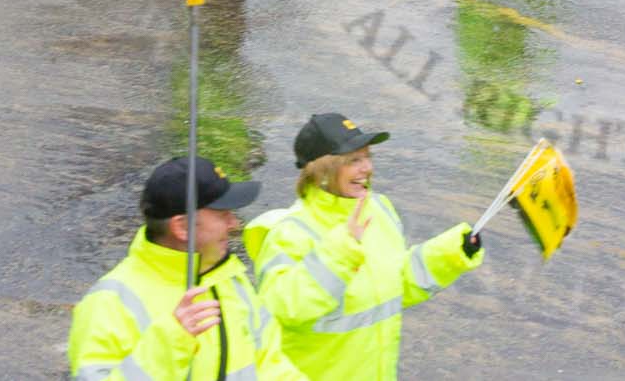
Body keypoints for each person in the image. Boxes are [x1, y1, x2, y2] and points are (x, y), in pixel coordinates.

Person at [245, 113, 485, 379]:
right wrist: (342, 251)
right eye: (354, 160)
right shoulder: (290, 233)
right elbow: (287, 309)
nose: (367, 168)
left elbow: (395, 284)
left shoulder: (379, 210)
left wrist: (450, 253)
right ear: (322, 171)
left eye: (368, 156)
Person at [67, 156, 306, 381]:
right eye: (223, 215)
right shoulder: (109, 302)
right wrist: (168, 343)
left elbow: (272, 365)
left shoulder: (231, 279)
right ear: (182, 228)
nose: (234, 224)